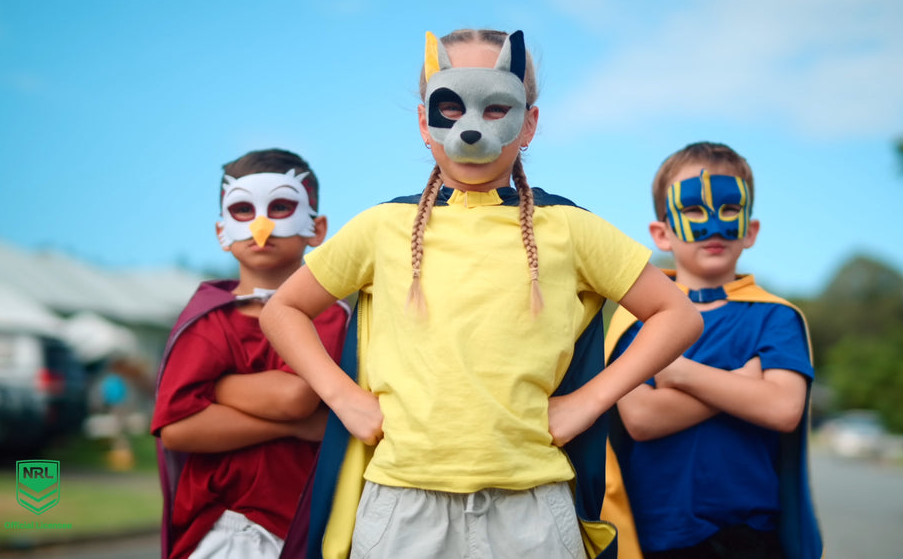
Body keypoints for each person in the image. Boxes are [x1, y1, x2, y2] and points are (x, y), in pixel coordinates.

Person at [259, 29, 702, 559]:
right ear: (425, 122)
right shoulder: (382, 226)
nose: (472, 129)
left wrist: (587, 403)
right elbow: (283, 309)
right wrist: (344, 398)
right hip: (402, 503)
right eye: (450, 107)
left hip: (532, 507)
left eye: (496, 108)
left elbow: (677, 315)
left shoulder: (569, 227)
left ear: (529, 123)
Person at [602, 142, 823, 559]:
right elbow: (642, 418)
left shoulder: (775, 317)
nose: (715, 227)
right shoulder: (639, 318)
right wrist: (744, 383)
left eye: (728, 210)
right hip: (659, 533)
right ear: (661, 233)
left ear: (750, 230)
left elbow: (782, 409)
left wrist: (680, 373)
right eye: (693, 212)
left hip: (753, 534)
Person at [151, 149, 351, 559]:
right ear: (222, 230)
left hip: (307, 525)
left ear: (317, 228)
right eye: (243, 209)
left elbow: (294, 395)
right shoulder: (207, 320)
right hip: (223, 526)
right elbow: (178, 428)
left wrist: (218, 389)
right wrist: (294, 426)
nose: (262, 225)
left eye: (281, 207)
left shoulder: (332, 317)